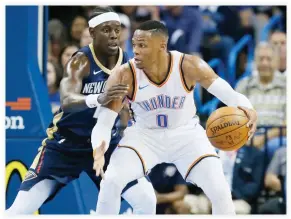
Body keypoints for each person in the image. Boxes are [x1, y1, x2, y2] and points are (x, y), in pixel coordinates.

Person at [91, 20, 258, 215]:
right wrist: (98, 146)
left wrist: (248, 108)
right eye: (135, 45)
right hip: (144, 136)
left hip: (186, 135)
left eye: (142, 45)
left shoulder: (189, 65)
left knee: (220, 190)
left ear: (162, 45)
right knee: (111, 180)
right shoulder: (124, 75)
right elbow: (104, 122)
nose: (135, 50)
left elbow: (231, 96)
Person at [6, 7, 156, 215]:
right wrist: (99, 98)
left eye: (117, 29)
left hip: (106, 145)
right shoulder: (80, 61)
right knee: (19, 211)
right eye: (106, 30)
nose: (113, 34)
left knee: (147, 200)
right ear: (92, 33)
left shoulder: (127, 62)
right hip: (66, 145)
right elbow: (67, 99)